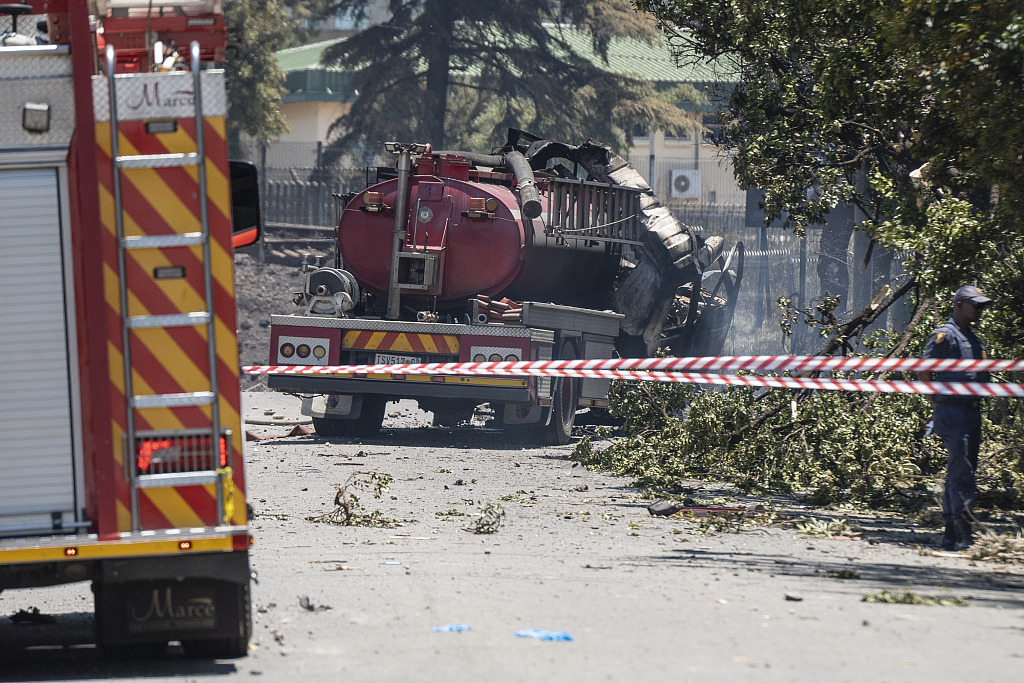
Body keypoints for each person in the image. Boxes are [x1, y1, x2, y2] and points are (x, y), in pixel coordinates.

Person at [919, 285, 992, 551]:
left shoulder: (971, 336)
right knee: (962, 471)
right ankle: (963, 533)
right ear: (960, 304)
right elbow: (924, 372)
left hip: (972, 411)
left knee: (961, 470)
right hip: (952, 411)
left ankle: (950, 532)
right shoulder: (944, 335)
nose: (980, 310)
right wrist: (937, 402)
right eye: (976, 305)